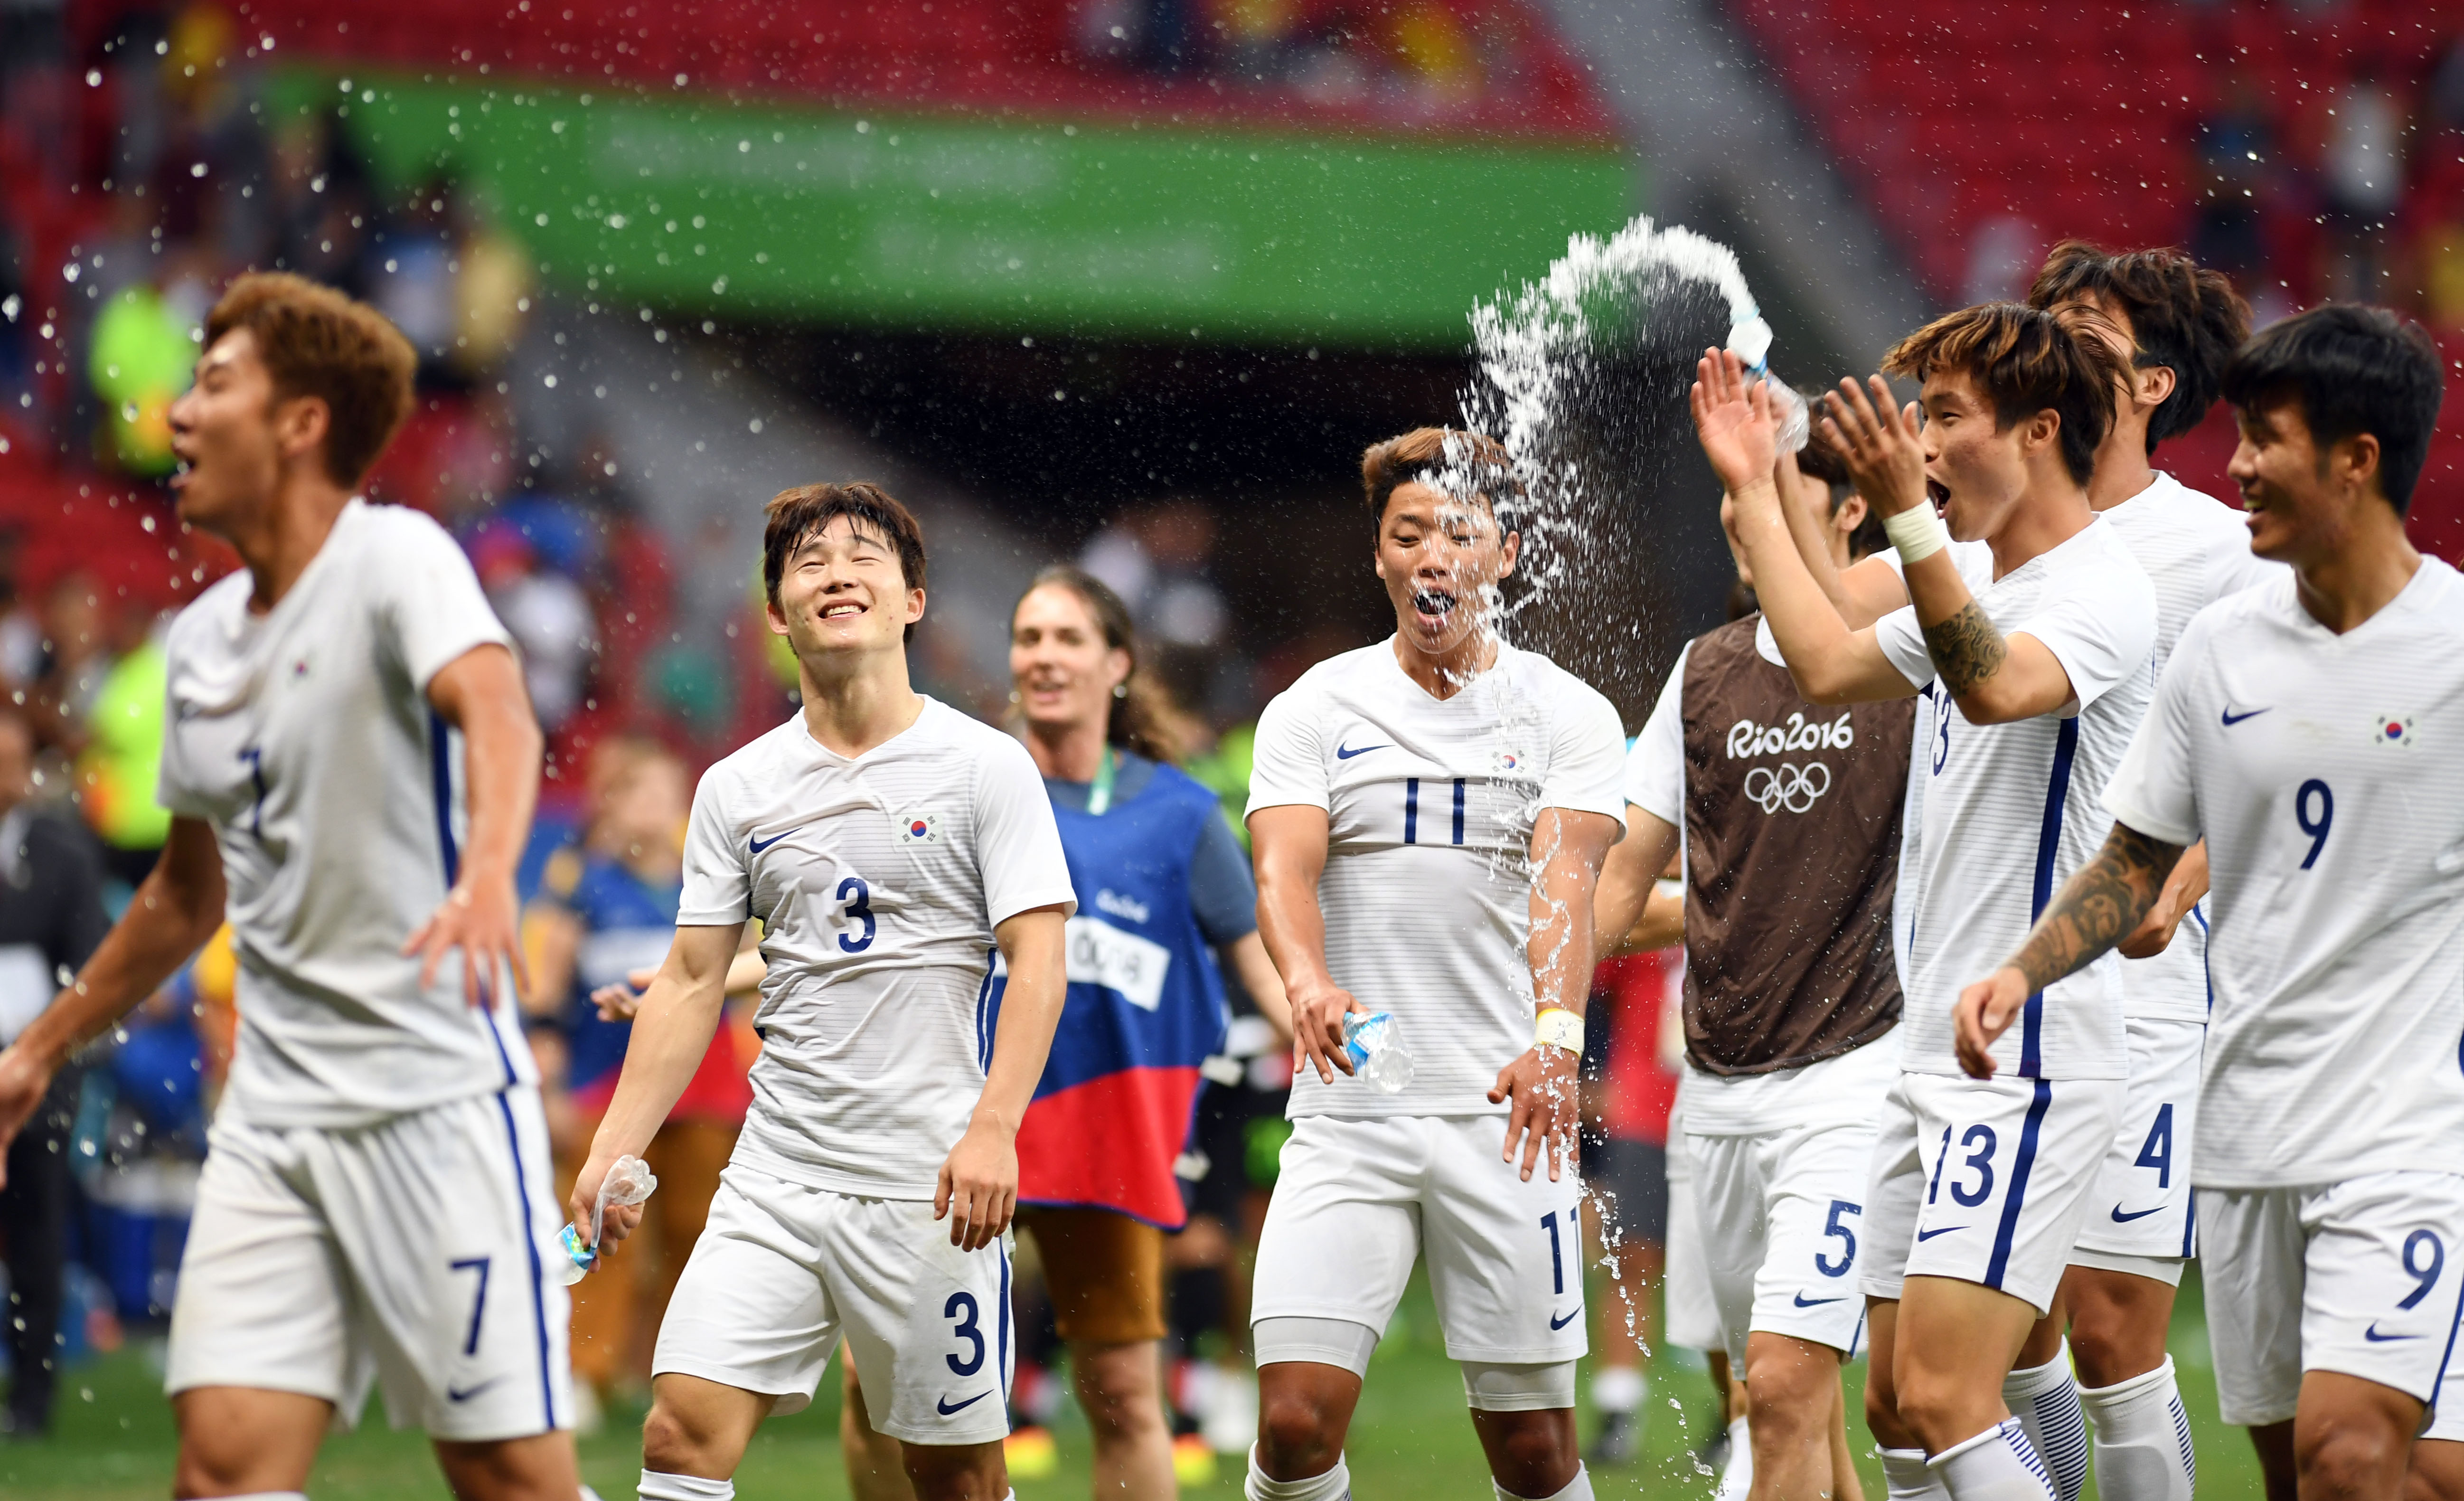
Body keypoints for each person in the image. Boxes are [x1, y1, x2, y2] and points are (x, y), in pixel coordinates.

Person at [0, 272, 572, 1498]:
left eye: (214, 386)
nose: (180, 416)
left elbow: (500, 712)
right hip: (275, 1116)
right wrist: (40, 1047)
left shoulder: (396, 559)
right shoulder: (198, 645)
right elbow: (182, 894)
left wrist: (485, 881)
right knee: (220, 1473)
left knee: (507, 1475)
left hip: (436, 1102)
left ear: (302, 422)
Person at [1954, 303, 2462, 1501]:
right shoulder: (2219, 650)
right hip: (2247, 1136)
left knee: (2348, 1457)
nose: (2233, 464)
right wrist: (2022, 972)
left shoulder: (2456, 648)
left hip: (2408, 1138)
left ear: (2356, 458)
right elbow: (2135, 860)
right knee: (2319, 1475)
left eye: (2266, 439)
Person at [1690, 302, 2156, 1501]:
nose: (1925, 442)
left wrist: (1904, 513)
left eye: (1946, 416)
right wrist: (1753, 488)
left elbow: (1998, 687)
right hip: (1922, 1044)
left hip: (2025, 1050)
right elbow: (1826, 660)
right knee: (1898, 1405)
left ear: (2040, 430)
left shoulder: (2102, 586)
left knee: (1953, 1399)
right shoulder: (1984, 569)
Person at [570, 482, 1076, 1501]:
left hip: (931, 1183)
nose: (837, 574)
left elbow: (1040, 960)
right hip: (779, 1173)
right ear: (776, 614)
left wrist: (993, 1130)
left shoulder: (987, 768)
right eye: (809, 562)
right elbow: (691, 978)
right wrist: (612, 1146)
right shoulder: (735, 787)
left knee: (959, 1481)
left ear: (914, 600)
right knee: (678, 1437)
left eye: (863, 558)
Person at [838, 564, 1291, 1501]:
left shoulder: (1181, 815)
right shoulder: (956, 781)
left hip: (1108, 1132)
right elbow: (860, 932)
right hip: (961, 1125)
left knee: (1124, 1393)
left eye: (1068, 639)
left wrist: (1349, 1041)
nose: (1043, 657)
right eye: (1029, 638)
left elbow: (1268, 970)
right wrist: (713, 976)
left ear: (1118, 664)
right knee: (883, 1383)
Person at [1243, 427, 1628, 1501]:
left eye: (1458, 532)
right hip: (1350, 1115)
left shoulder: (1568, 713)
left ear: (1504, 554)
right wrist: (1309, 985)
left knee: (1537, 1452)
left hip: (1508, 1116)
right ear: (1379, 557)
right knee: (1292, 1424)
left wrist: (1559, 1040)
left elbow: (1566, 886)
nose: (1431, 555)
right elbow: (1282, 869)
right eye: (1408, 533)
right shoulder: (1317, 708)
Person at [1991, 242, 2271, 1501]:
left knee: (2107, 1327)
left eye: (2085, 326)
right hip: (1982, 971)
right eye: (2044, 320)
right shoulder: (1981, 540)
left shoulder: (2217, 552)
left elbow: (2278, 744)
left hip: (2137, 981)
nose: (2049, 338)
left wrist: (2183, 880)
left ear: (2150, 381)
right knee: (1999, 1326)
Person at [1595, 428, 1907, 1501]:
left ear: (1849, 515)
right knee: (1782, 1407)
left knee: (1780, 1387)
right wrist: (1535, 1009)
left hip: (1853, 1075)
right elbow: (1625, 873)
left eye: (1766, 494)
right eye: (1731, 500)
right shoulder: (1702, 674)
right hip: (1715, 1092)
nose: (1741, 515)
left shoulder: (1911, 658)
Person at [523, 737, 753, 1416]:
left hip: (705, 1090)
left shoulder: (707, 886)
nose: (655, 810)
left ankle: (675, 1369)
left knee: (696, 1231)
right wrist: (549, 1079)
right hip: (606, 1086)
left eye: (665, 794)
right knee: (601, 1230)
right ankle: (581, 1372)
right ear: (612, 805)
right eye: (639, 793)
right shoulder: (580, 885)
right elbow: (547, 987)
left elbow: (743, 978)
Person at [0, 705, 109, 1436]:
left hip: (33, 1069)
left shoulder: (62, 852)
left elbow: (90, 971)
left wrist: (55, 1066)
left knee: (36, 1233)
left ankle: (31, 1401)